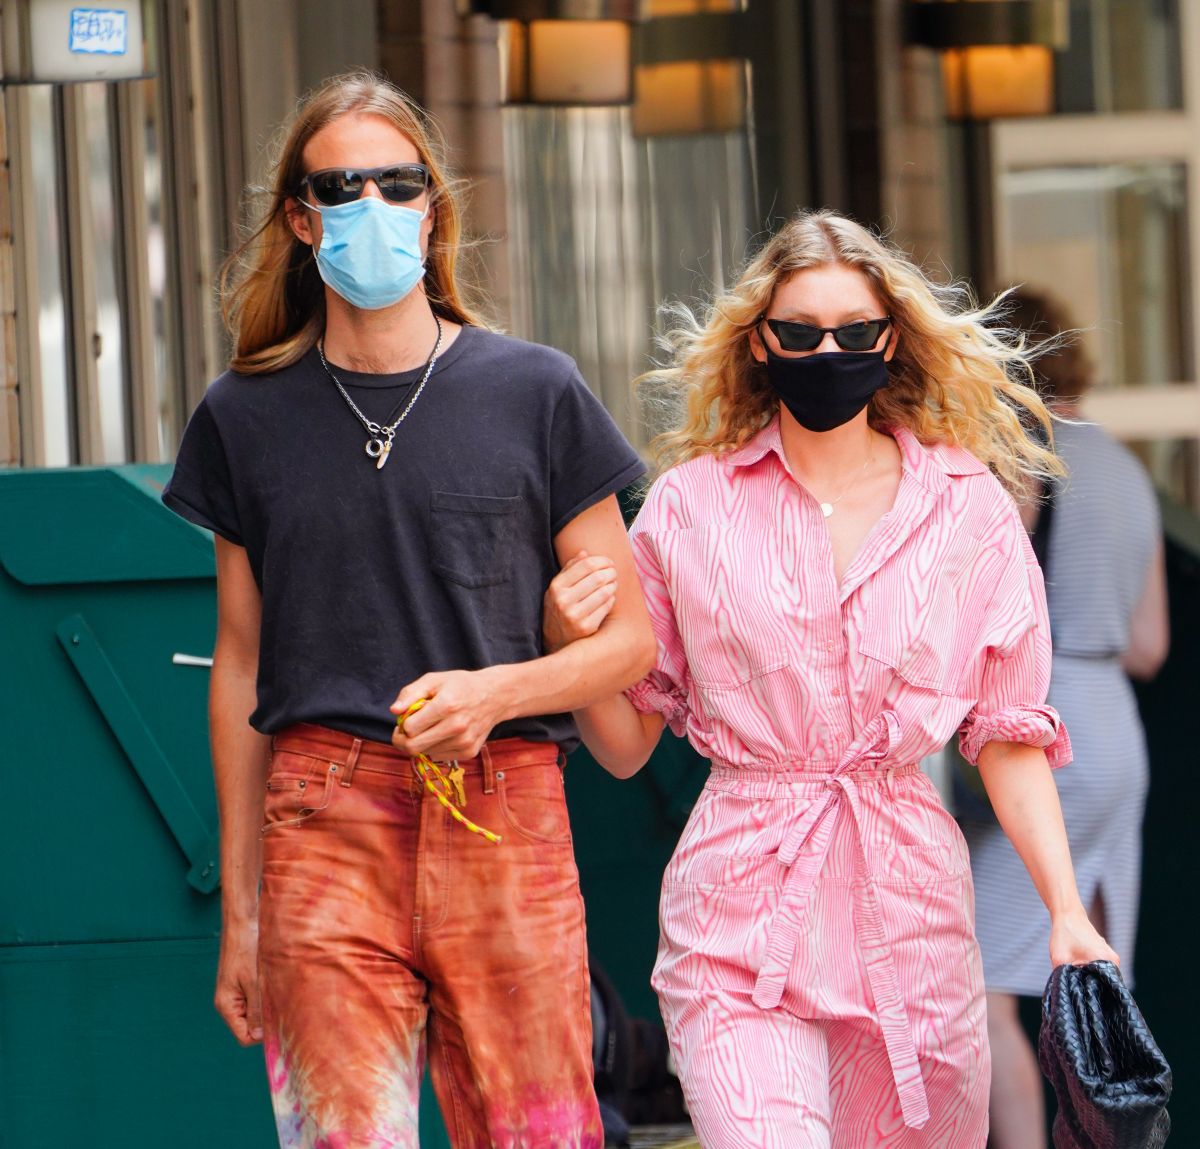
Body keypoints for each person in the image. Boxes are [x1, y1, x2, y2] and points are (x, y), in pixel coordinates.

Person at [540, 208, 1118, 1148]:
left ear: (890, 340)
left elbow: (1008, 732)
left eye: (854, 332)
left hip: (912, 922)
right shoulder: (691, 509)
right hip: (737, 921)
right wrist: (571, 647)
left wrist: (1064, 911)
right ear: (760, 344)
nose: (828, 351)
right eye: (800, 332)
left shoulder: (964, 509)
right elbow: (623, 744)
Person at [161, 71, 655, 1149]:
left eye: (397, 183)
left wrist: (499, 692)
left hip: (506, 802)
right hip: (322, 813)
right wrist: (239, 916)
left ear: (434, 207)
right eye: (340, 187)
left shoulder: (535, 391)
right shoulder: (244, 415)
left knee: (535, 1134)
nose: (370, 206)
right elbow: (240, 665)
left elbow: (633, 641)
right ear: (299, 217)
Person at [960, 289, 1169, 1149]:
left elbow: (993, 602)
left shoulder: (1022, 453)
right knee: (1090, 968)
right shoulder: (1127, 465)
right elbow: (1150, 643)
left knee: (983, 984)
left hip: (1045, 719)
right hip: (1119, 724)